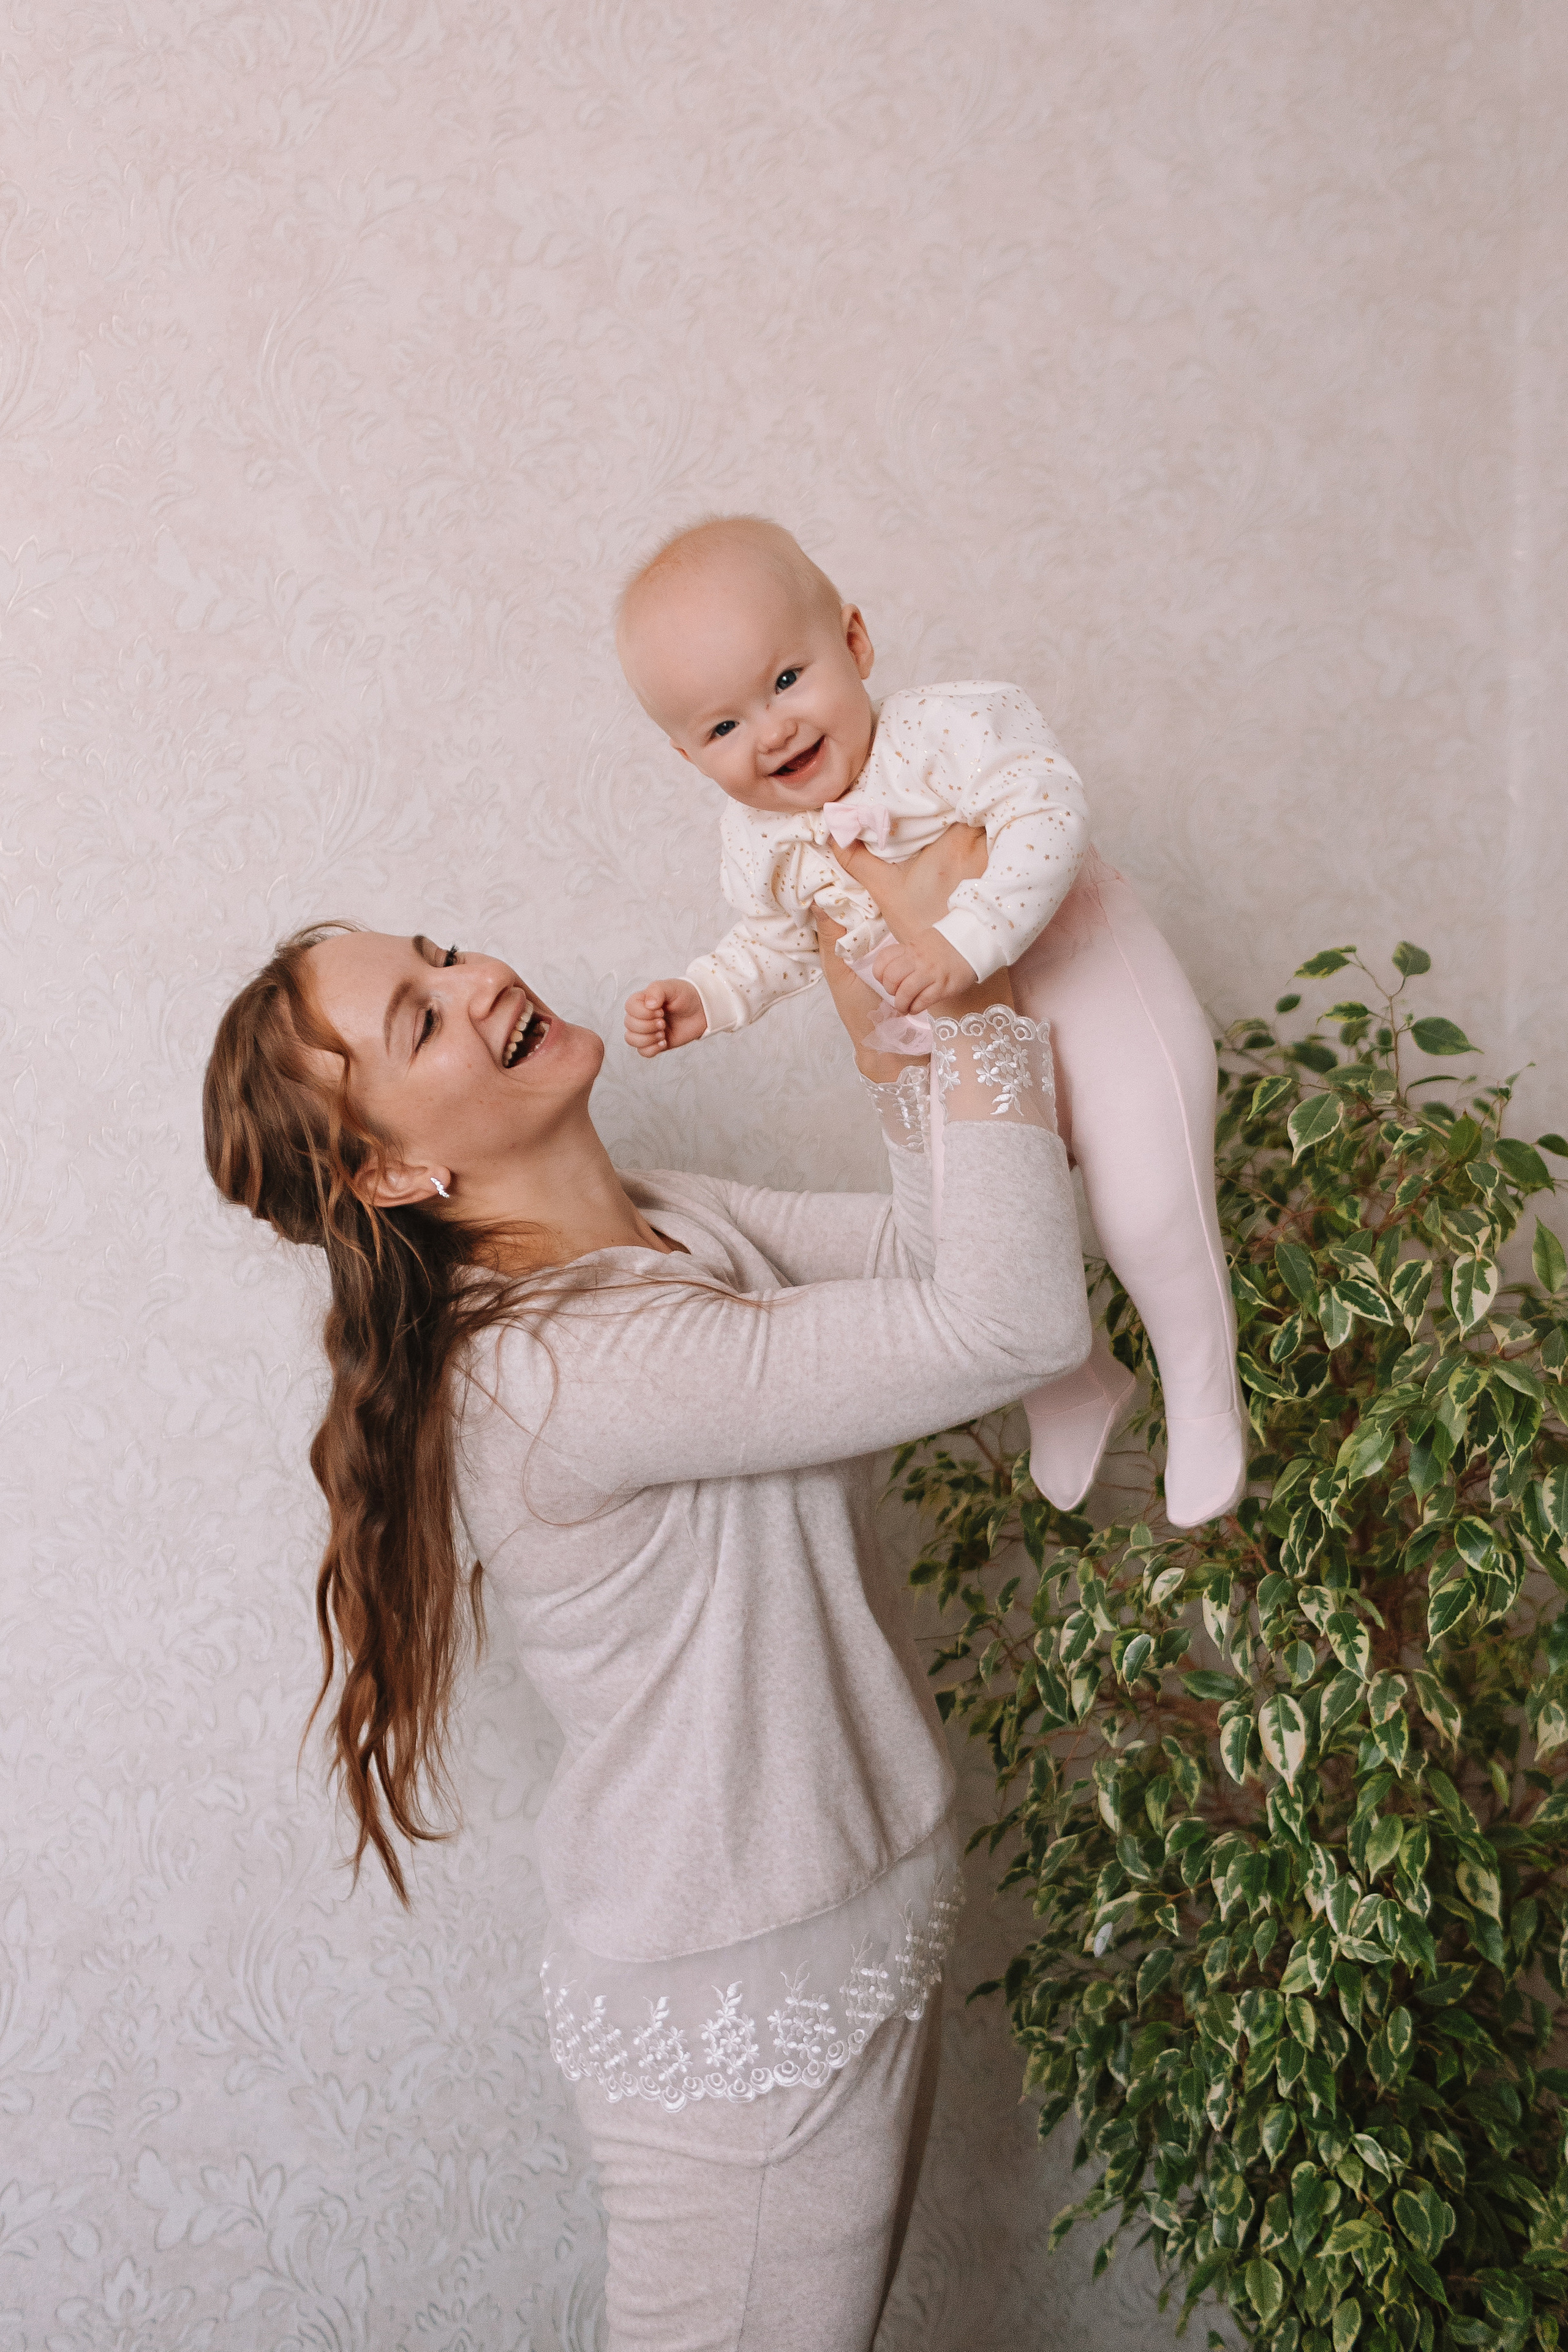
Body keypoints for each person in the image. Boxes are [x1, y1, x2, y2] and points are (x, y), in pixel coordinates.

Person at [200, 831, 1091, 2352]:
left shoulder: (667, 1222)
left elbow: (945, 1260)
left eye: (439, 951)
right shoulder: (553, 1371)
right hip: (740, 2011)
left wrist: (893, 1027)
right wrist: (972, 984)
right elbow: (1010, 1324)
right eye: (420, 1020)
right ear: (396, 1173)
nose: (478, 979)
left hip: (843, 1926)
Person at [618, 514, 1246, 1528]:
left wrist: (966, 940)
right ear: (689, 755)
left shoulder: (953, 729)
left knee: (1149, 1212)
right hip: (961, 1048)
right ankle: (1074, 1384)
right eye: (723, 727)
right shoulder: (759, 842)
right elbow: (774, 945)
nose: (771, 731)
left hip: (1092, 981)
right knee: (972, 1245)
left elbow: (1049, 813)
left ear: (856, 644)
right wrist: (706, 996)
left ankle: (1206, 1396)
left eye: (786, 680)